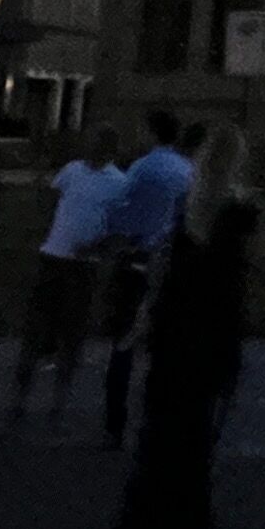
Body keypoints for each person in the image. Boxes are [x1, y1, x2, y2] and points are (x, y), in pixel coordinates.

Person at [106, 122, 261, 529]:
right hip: (210, 332)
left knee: (164, 432)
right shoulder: (237, 212)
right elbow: (248, 268)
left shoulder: (187, 210)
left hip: (176, 331)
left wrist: (146, 320)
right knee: (195, 436)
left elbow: (166, 270)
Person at [12, 122, 130, 425]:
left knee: (72, 334)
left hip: (82, 266)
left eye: (100, 144)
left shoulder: (119, 183)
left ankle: (58, 402)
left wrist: (96, 247)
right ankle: (20, 399)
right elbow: (52, 200)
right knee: (36, 330)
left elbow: (120, 229)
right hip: (54, 257)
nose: (94, 149)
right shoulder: (72, 170)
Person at [98, 109, 195, 451]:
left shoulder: (143, 168)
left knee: (124, 343)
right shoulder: (187, 169)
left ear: (152, 132)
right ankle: (160, 422)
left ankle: (115, 424)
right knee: (165, 347)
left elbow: (122, 210)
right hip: (172, 262)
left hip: (139, 260)